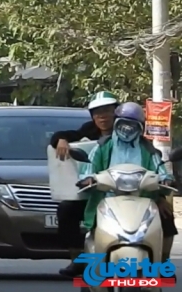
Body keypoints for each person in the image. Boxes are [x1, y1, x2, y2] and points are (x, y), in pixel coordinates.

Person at [77, 102, 177, 265]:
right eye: (123, 123)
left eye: (132, 125)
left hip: (143, 200)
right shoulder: (103, 146)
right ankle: (89, 262)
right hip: (107, 199)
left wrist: (166, 180)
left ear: (140, 127)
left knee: (166, 220)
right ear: (116, 123)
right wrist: (88, 178)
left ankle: (162, 262)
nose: (127, 128)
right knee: (88, 227)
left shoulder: (149, 150)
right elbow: (88, 167)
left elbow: (161, 170)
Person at [49, 91, 117, 277]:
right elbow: (65, 134)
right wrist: (61, 140)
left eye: (107, 111)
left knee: (160, 215)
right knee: (67, 209)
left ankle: (158, 260)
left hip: (126, 192)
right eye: (97, 112)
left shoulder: (127, 131)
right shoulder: (88, 131)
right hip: (96, 192)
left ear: (115, 112)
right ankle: (78, 259)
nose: (102, 116)